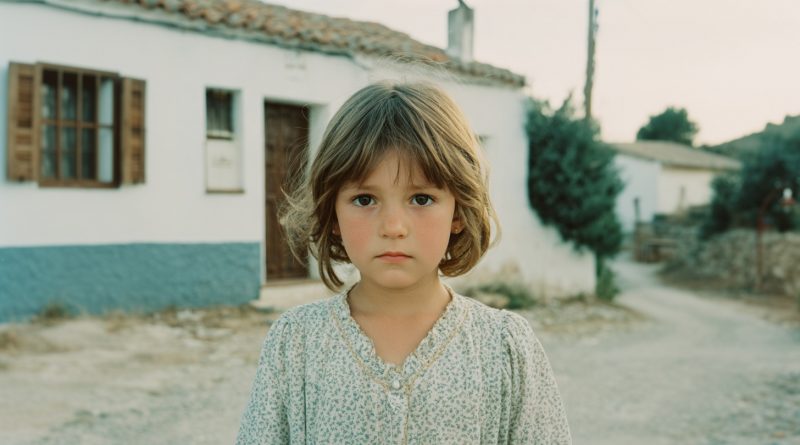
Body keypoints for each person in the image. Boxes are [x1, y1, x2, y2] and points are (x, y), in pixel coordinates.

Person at [236, 81, 572, 444]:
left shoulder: (504, 349)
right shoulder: (296, 344)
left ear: (458, 210)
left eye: (422, 199)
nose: (393, 227)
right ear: (333, 213)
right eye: (365, 200)